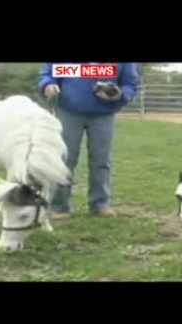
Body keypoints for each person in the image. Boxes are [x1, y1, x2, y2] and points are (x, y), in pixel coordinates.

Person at [39, 63, 140, 218]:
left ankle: (100, 204)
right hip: (68, 112)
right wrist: (48, 84)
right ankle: (59, 206)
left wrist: (120, 94)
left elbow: (130, 84)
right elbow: (47, 74)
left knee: (101, 160)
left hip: (104, 114)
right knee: (65, 159)